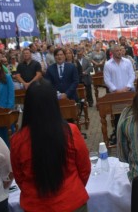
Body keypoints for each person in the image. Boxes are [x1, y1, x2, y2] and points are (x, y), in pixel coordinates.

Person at [10, 80, 90, 212]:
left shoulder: (17, 139)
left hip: (35, 204)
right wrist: (73, 187)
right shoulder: (71, 131)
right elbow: (84, 168)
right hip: (71, 200)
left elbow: (19, 177)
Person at [103, 44, 136, 145]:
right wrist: (115, 90)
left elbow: (132, 75)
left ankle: (132, 136)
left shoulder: (127, 62)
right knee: (118, 117)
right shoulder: (108, 64)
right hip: (115, 94)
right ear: (112, 52)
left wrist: (127, 87)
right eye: (117, 51)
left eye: (120, 50)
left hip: (128, 92)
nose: (119, 52)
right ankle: (120, 138)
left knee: (131, 114)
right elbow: (107, 80)